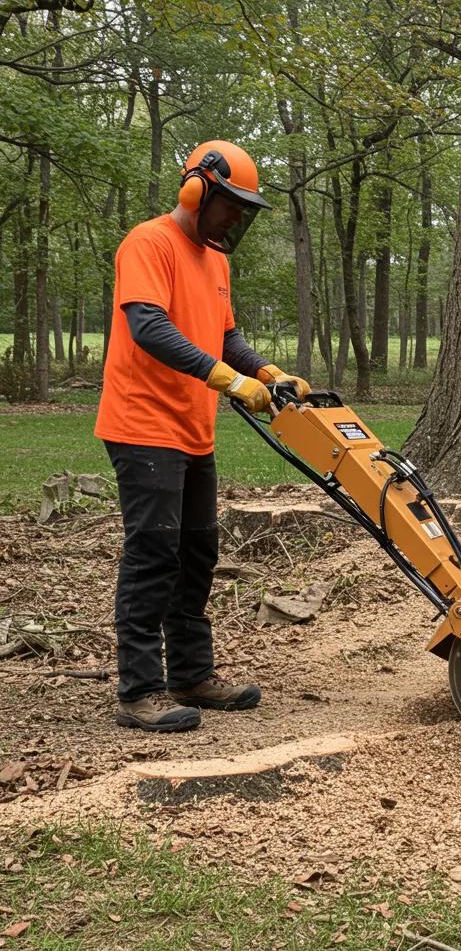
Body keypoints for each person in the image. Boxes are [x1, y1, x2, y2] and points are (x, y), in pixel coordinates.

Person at [94, 140, 312, 732]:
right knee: (153, 554)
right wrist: (226, 380)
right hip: (143, 424)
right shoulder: (149, 243)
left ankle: (190, 672)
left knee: (197, 554)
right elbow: (148, 327)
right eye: (232, 203)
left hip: (193, 430)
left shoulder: (216, 260)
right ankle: (139, 690)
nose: (237, 216)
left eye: (245, 207)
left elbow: (226, 338)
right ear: (199, 190)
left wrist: (265, 373)